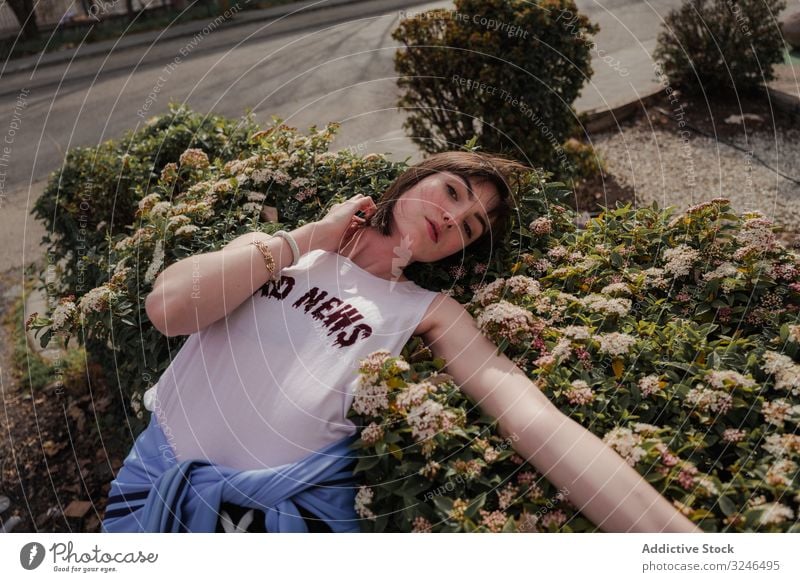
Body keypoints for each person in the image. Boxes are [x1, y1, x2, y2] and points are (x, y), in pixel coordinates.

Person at [102, 151, 701, 533]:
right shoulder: (280, 250)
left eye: (471, 226)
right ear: (412, 180)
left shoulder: (430, 311)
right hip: (148, 490)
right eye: (452, 191)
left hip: (256, 526)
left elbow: (536, 421)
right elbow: (170, 308)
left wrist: (678, 547)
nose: (455, 217)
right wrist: (310, 237)